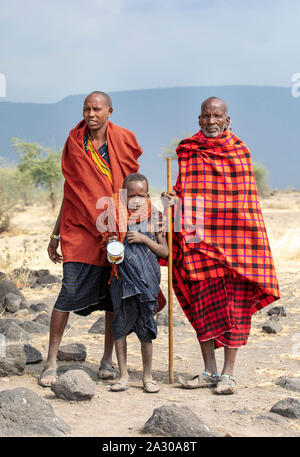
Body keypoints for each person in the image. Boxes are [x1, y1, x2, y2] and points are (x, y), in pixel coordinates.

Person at [162, 97, 280, 394]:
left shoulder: (239, 151)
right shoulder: (188, 150)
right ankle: (208, 370)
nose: (211, 122)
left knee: (235, 307)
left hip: (237, 243)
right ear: (198, 119)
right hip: (199, 243)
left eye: (217, 116)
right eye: (205, 116)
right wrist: (173, 201)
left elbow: (242, 200)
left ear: (228, 120)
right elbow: (184, 189)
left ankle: (228, 374)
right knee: (203, 304)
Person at [38, 91, 143, 387]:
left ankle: (107, 360)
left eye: (97, 109)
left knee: (113, 294)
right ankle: (51, 361)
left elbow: (132, 188)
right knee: (68, 290)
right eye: (86, 109)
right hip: (78, 228)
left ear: (110, 111)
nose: (91, 114)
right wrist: (55, 233)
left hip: (112, 228)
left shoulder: (122, 140)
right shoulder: (75, 143)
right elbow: (70, 190)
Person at [100, 173, 168, 393]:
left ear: (147, 195)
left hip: (148, 280)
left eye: (141, 195)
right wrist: (112, 243)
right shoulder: (115, 215)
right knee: (119, 325)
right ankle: (123, 376)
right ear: (124, 195)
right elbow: (108, 250)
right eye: (132, 195)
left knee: (146, 326)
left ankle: (148, 377)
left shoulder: (156, 217)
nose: (136, 200)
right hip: (122, 280)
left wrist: (144, 239)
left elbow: (166, 252)